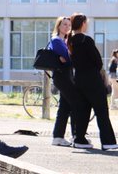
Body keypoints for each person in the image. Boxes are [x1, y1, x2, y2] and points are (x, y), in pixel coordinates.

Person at [67, 13, 118, 150]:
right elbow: (98, 61)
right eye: (86, 22)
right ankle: (108, 142)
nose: (87, 24)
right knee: (101, 111)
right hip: (92, 80)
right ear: (83, 23)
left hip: (78, 80)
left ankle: (79, 139)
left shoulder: (70, 40)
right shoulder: (86, 40)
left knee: (82, 111)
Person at [48, 16, 79, 147]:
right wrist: (69, 56)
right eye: (64, 24)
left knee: (65, 107)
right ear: (59, 26)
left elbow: (67, 58)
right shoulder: (56, 40)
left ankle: (58, 137)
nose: (67, 27)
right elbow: (69, 58)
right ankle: (76, 136)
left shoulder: (64, 41)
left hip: (66, 76)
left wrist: (68, 57)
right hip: (62, 77)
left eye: (69, 25)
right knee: (76, 104)